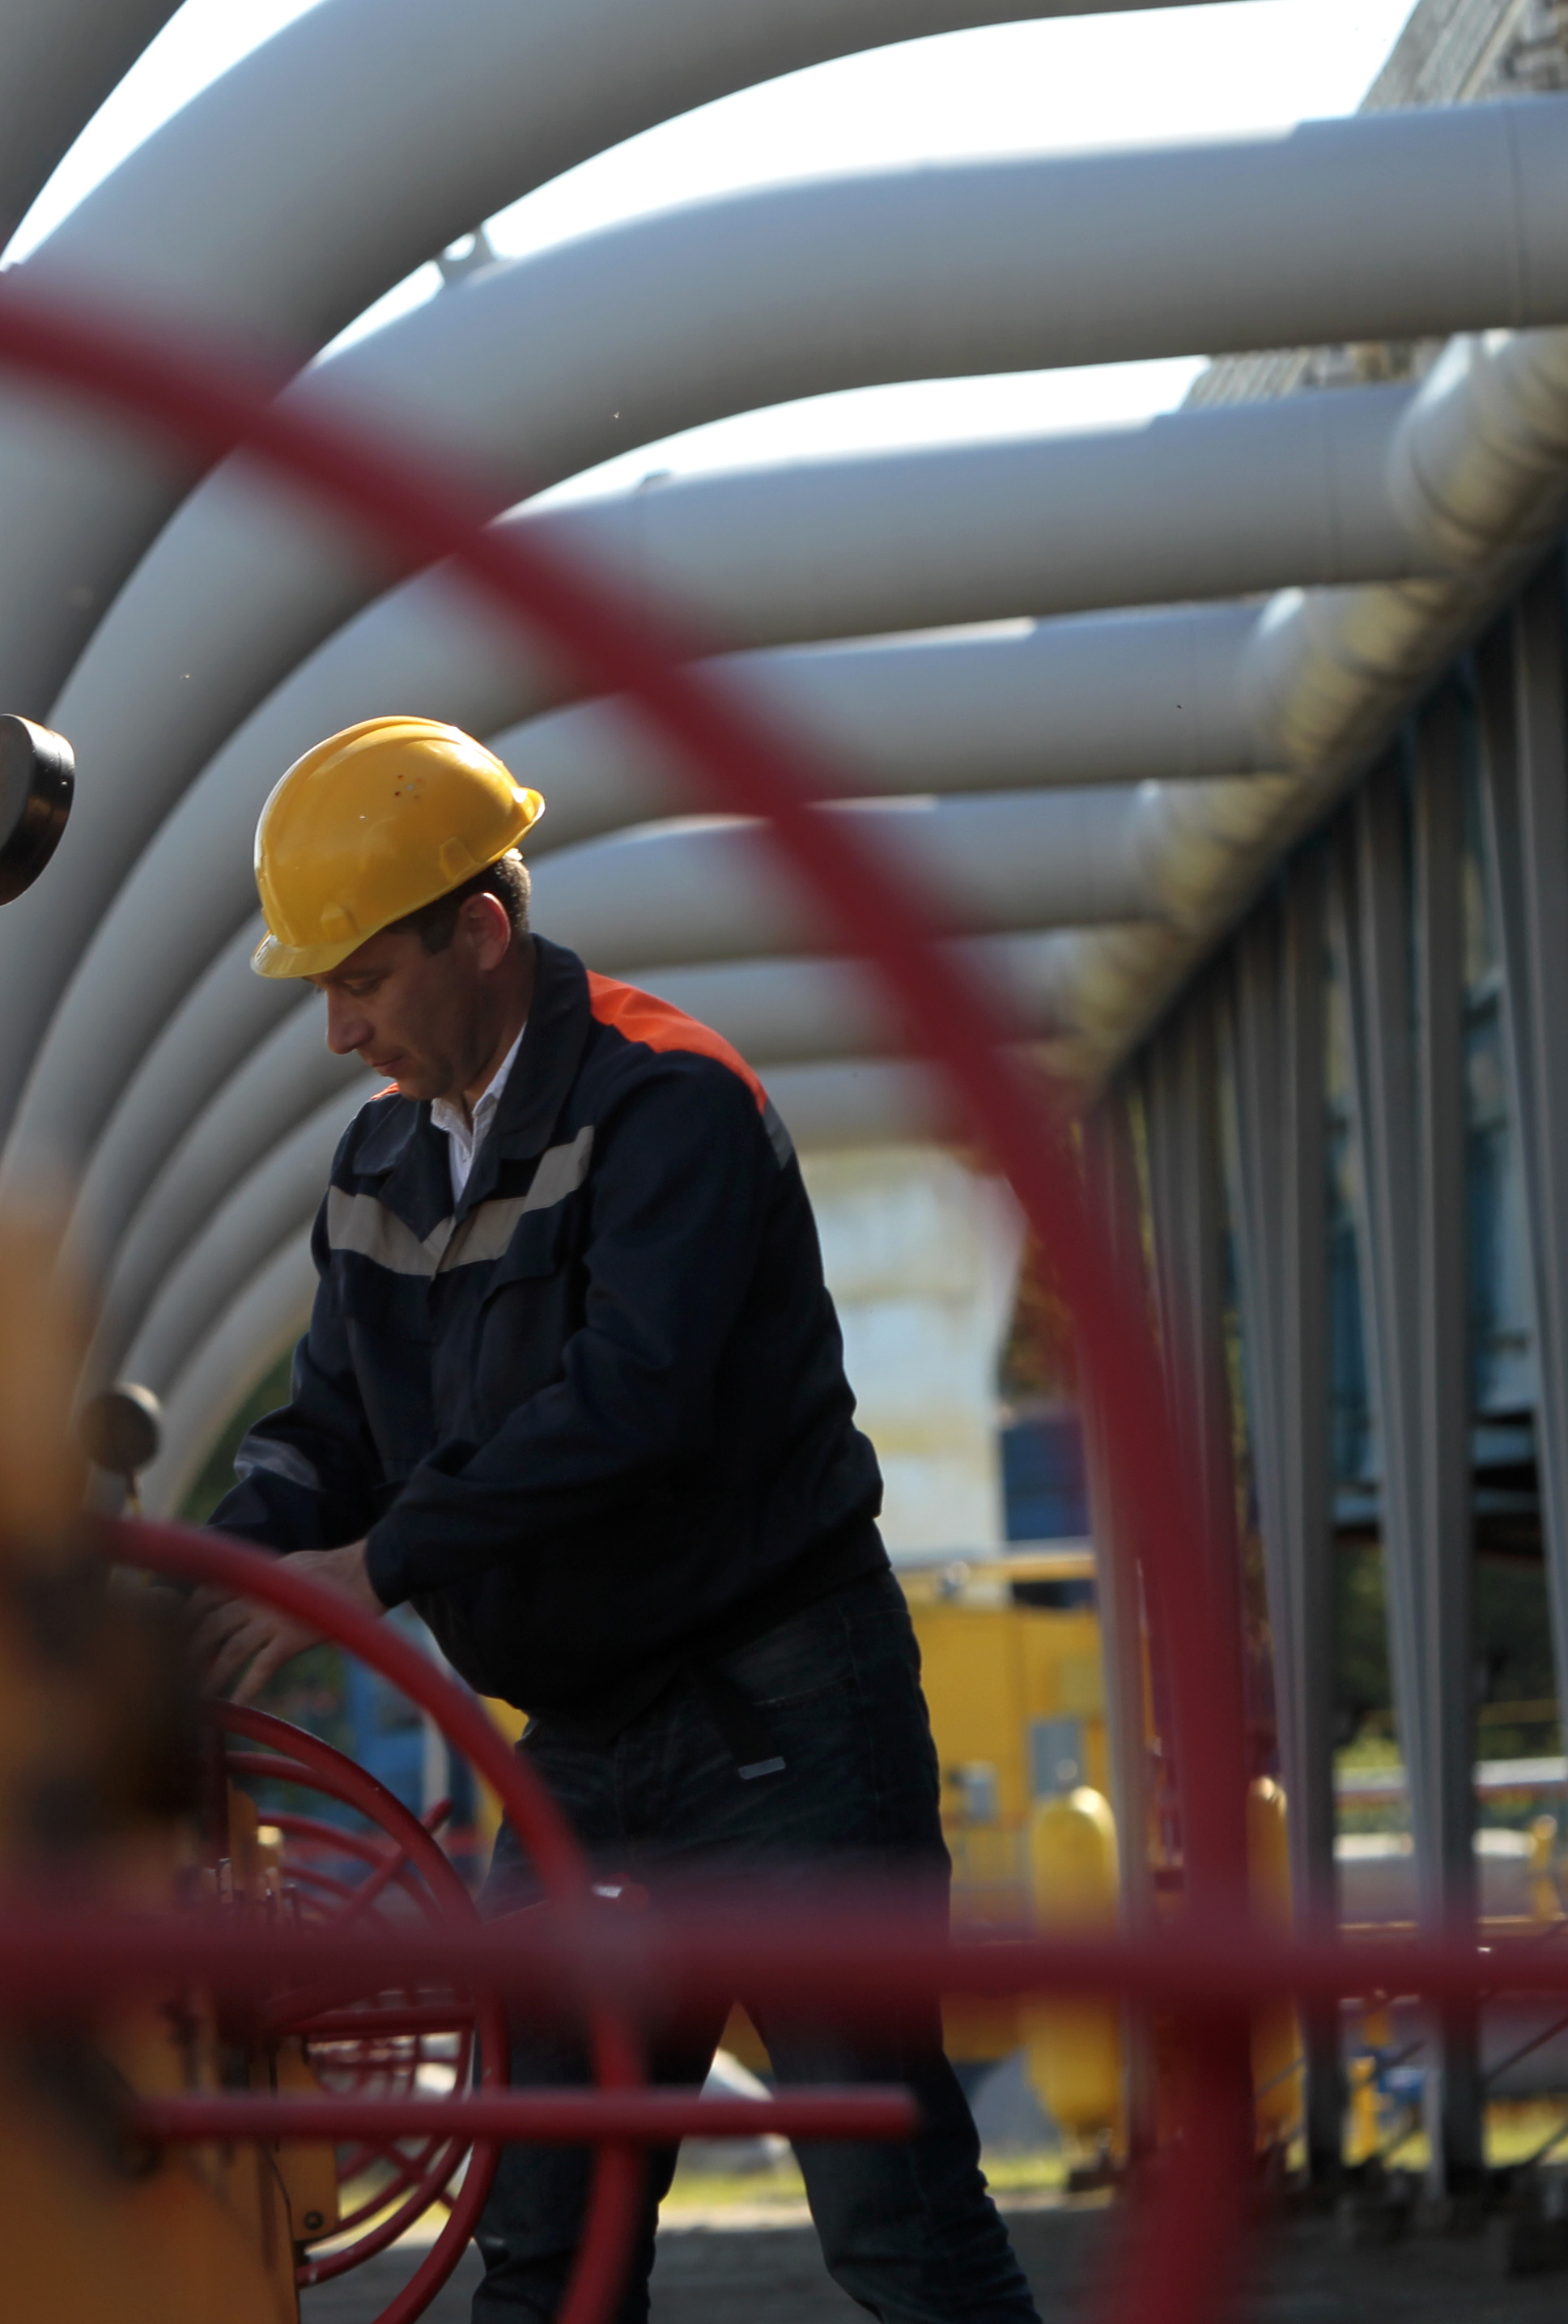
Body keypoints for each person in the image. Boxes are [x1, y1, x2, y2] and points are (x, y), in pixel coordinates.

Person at [192, 716, 1039, 2324]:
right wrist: (212, 1582)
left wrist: (374, 1565)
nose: (337, 1029)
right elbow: (329, 1433)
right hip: (580, 1754)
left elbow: (627, 1407)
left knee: (894, 2216)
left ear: (479, 930)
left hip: (780, 1722)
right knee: (546, 2229)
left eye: (359, 980)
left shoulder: (671, 1101)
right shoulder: (380, 1164)